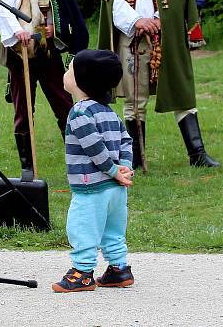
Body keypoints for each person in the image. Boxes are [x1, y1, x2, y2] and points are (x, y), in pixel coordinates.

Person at [97, 0, 220, 168]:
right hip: (131, 38)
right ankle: (136, 159)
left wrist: (156, 19)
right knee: (133, 97)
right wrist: (137, 22)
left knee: (180, 89)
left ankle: (197, 154)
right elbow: (112, 3)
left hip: (167, 36)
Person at [0, 0, 89, 178]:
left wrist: (54, 30)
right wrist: (18, 32)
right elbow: (3, 10)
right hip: (20, 55)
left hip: (49, 56)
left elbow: (69, 19)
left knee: (65, 104)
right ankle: (28, 167)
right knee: (23, 110)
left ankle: (78, 158)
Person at [52, 49, 134, 293]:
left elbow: (93, 146)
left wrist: (111, 170)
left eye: (70, 69)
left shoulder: (79, 112)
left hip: (91, 187)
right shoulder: (109, 112)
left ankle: (83, 272)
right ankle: (119, 269)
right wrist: (125, 169)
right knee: (113, 230)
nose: (65, 73)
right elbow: (126, 141)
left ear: (81, 81)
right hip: (116, 189)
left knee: (81, 226)